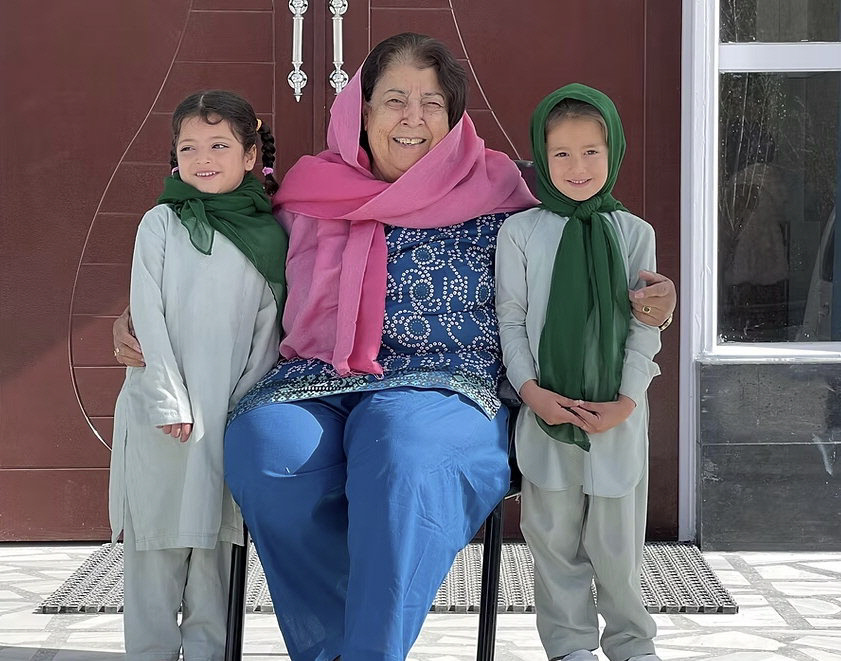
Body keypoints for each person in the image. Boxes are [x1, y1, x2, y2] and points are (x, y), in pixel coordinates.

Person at [112, 33, 676, 661]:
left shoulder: (501, 194)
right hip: (312, 380)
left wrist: (650, 298)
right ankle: (334, 649)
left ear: (454, 116)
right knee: (268, 450)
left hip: (448, 383)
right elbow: (224, 260)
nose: (412, 118)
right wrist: (140, 317)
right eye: (393, 100)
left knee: (399, 447)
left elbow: (583, 246)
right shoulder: (308, 193)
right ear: (362, 110)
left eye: (432, 102)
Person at [108, 90, 287, 661]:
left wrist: (241, 412)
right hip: (163, 416)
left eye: (219, 145)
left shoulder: (270, 235)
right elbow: (147, 315)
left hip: (226, 416)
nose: (202, 158)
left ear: (250, 154)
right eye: (188, 148)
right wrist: (169, 400)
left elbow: (267, 335)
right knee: (156, 547)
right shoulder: (161, 223)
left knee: (216, 551)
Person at [495, 84, 664, 661]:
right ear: (542, 158)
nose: (577, 167)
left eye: (592, 151)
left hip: (616, 415)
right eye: (561, 153)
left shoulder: (635, 233)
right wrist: (530, 391)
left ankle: (632, 642)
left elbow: (646, 324)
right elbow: (510, 318)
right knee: (553, 538)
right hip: (547, 409)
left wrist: (628, 401)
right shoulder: (521, 232)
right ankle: (569, 646)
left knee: (618, 541)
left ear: (613, 151)